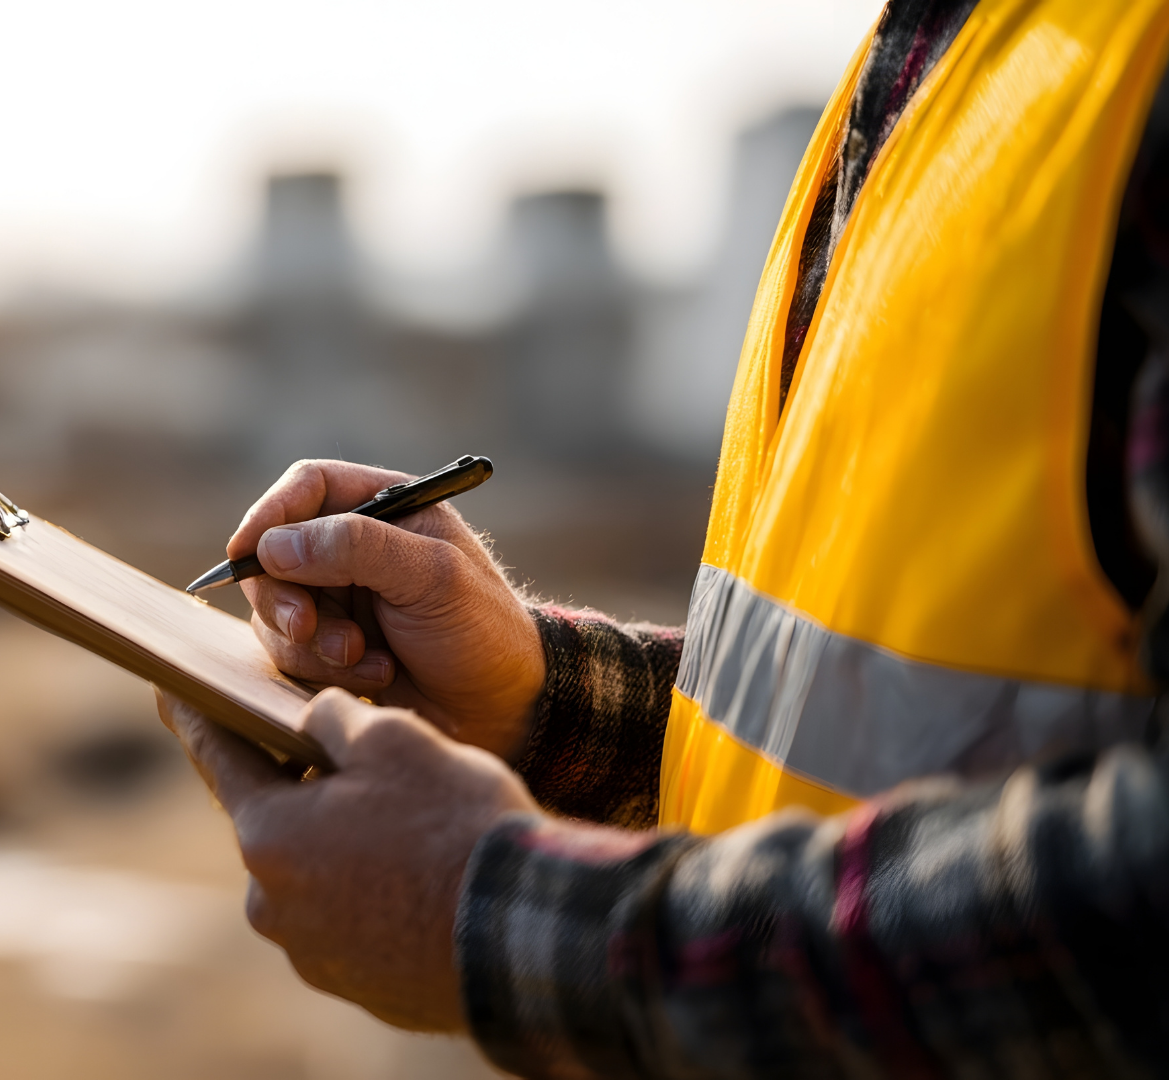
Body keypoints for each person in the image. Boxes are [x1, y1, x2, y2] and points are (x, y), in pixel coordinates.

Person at [158, 1, 1169, 1075]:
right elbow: (857, 735)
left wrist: (512, 915)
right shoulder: (953, 57)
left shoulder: (1114, 70)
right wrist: (548, 704)